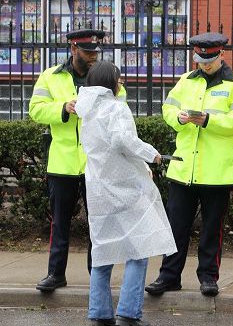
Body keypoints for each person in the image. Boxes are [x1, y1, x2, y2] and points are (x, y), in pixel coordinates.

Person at [145, 32, 233, 297]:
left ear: (221, 55)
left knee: (212, 229)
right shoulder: (186, 81)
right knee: (175, 227)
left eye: (210, 60)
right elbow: (167, 109)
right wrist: (179, 119)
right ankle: (169, 276)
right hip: (184, 167)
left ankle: (208, 277)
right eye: (200, 60)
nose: (204, 64)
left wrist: (208, 121)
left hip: (217, 171)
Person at [75, 61, 176, 326]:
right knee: (138, 249)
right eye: (119, 79)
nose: (121, 83)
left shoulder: (87, 110)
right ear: (110, 82)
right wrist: (150, 155)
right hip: (124, 188)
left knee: (103, 250)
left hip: (98, 188)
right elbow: (122, 141)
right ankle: (129, 314)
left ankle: (99, 313)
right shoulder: (116, 108)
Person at [29, 29, 126, 292]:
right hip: (63, 163)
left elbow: (121, 102)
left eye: (96, 52)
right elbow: (35, 109)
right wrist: (63, 107)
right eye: (87, 52)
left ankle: (97, 277)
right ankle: (55, 274)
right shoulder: (51, 76)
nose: (93, 57)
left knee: (98, 222)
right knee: (60, 222)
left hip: (96, 164)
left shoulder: (103, 76)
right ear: (73, 50)